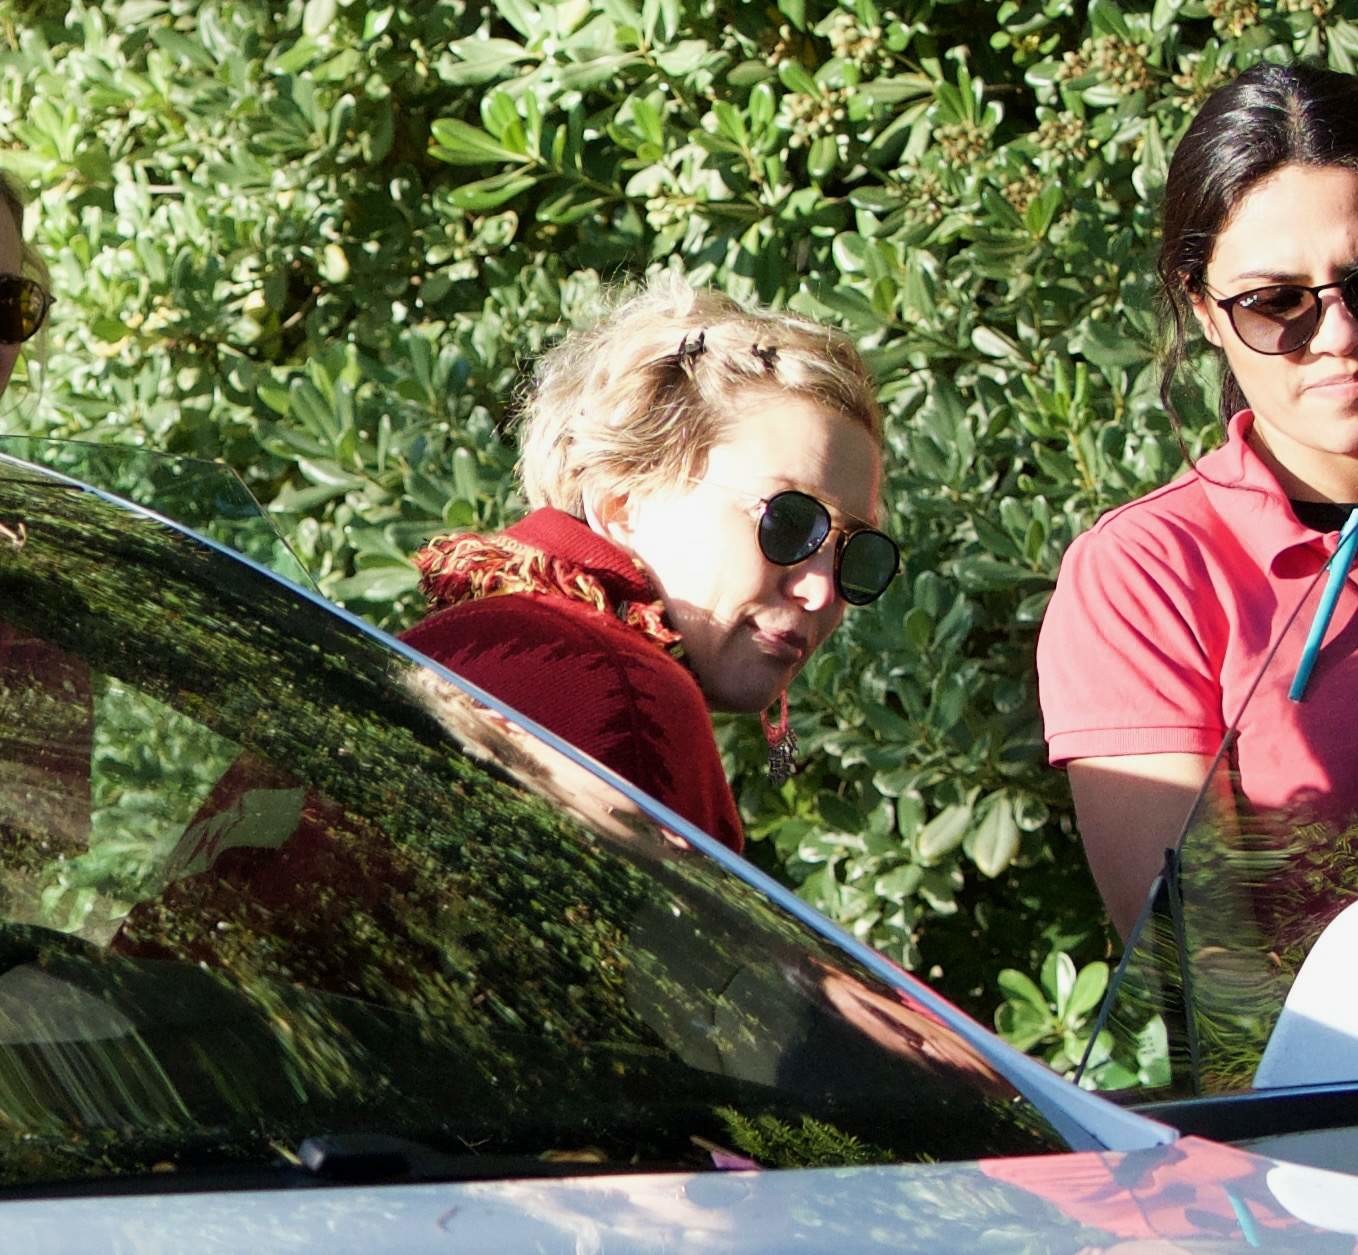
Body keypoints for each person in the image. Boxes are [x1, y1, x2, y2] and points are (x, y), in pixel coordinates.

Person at [402, 279, 897, 854]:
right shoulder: (623, 696)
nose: (821, 590)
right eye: (788, 523)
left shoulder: (481, 636)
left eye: (857, 553)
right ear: (622, 504)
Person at [1037, 62, 1358, 937]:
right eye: (1276, 302)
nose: (1338, 333)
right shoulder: (1147, 573)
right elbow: (1201, 966)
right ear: (1207, 311)